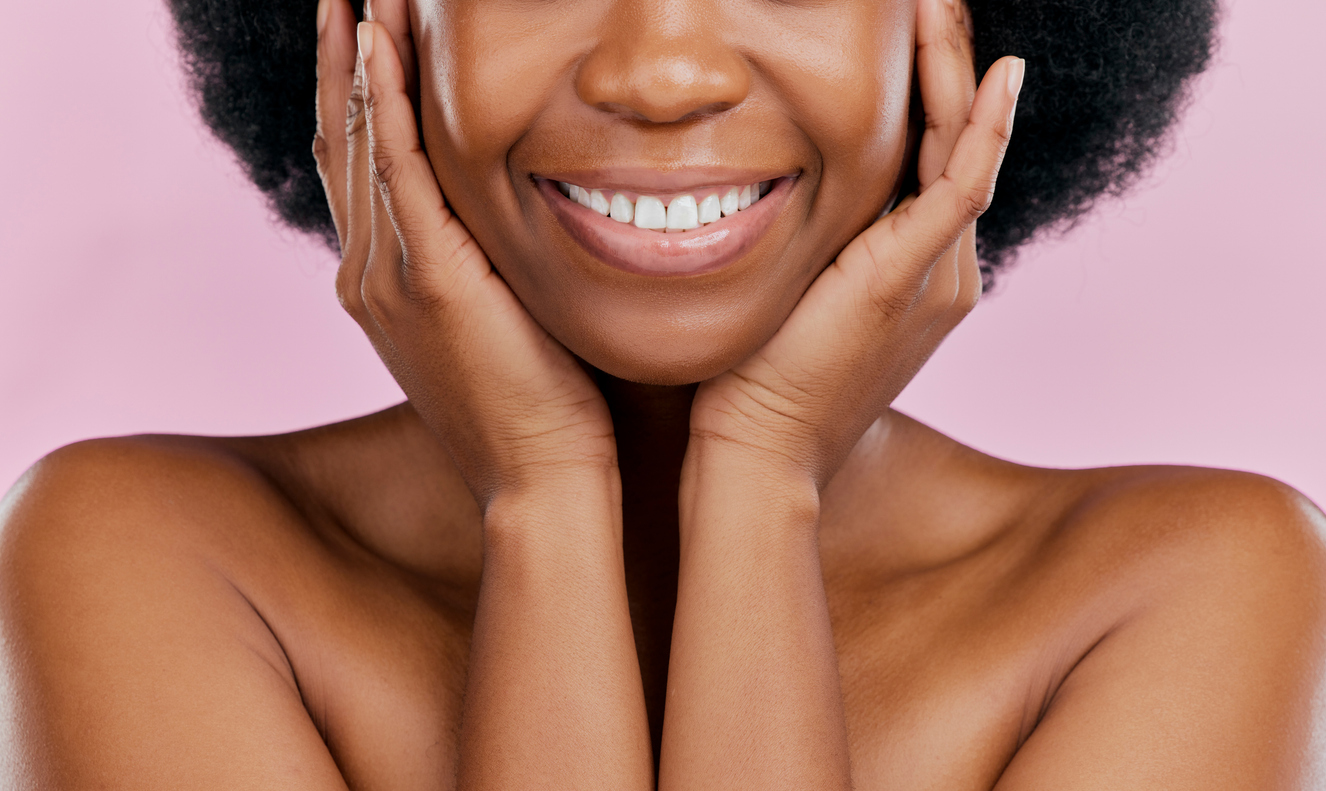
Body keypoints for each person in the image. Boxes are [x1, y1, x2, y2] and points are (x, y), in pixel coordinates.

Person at [2, 0, 1322, 787]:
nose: (660, 72)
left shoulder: (1183, 588)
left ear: (965, 29)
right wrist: (541, 495)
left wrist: (758, 483)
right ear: (374, 36)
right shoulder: (144, 551)